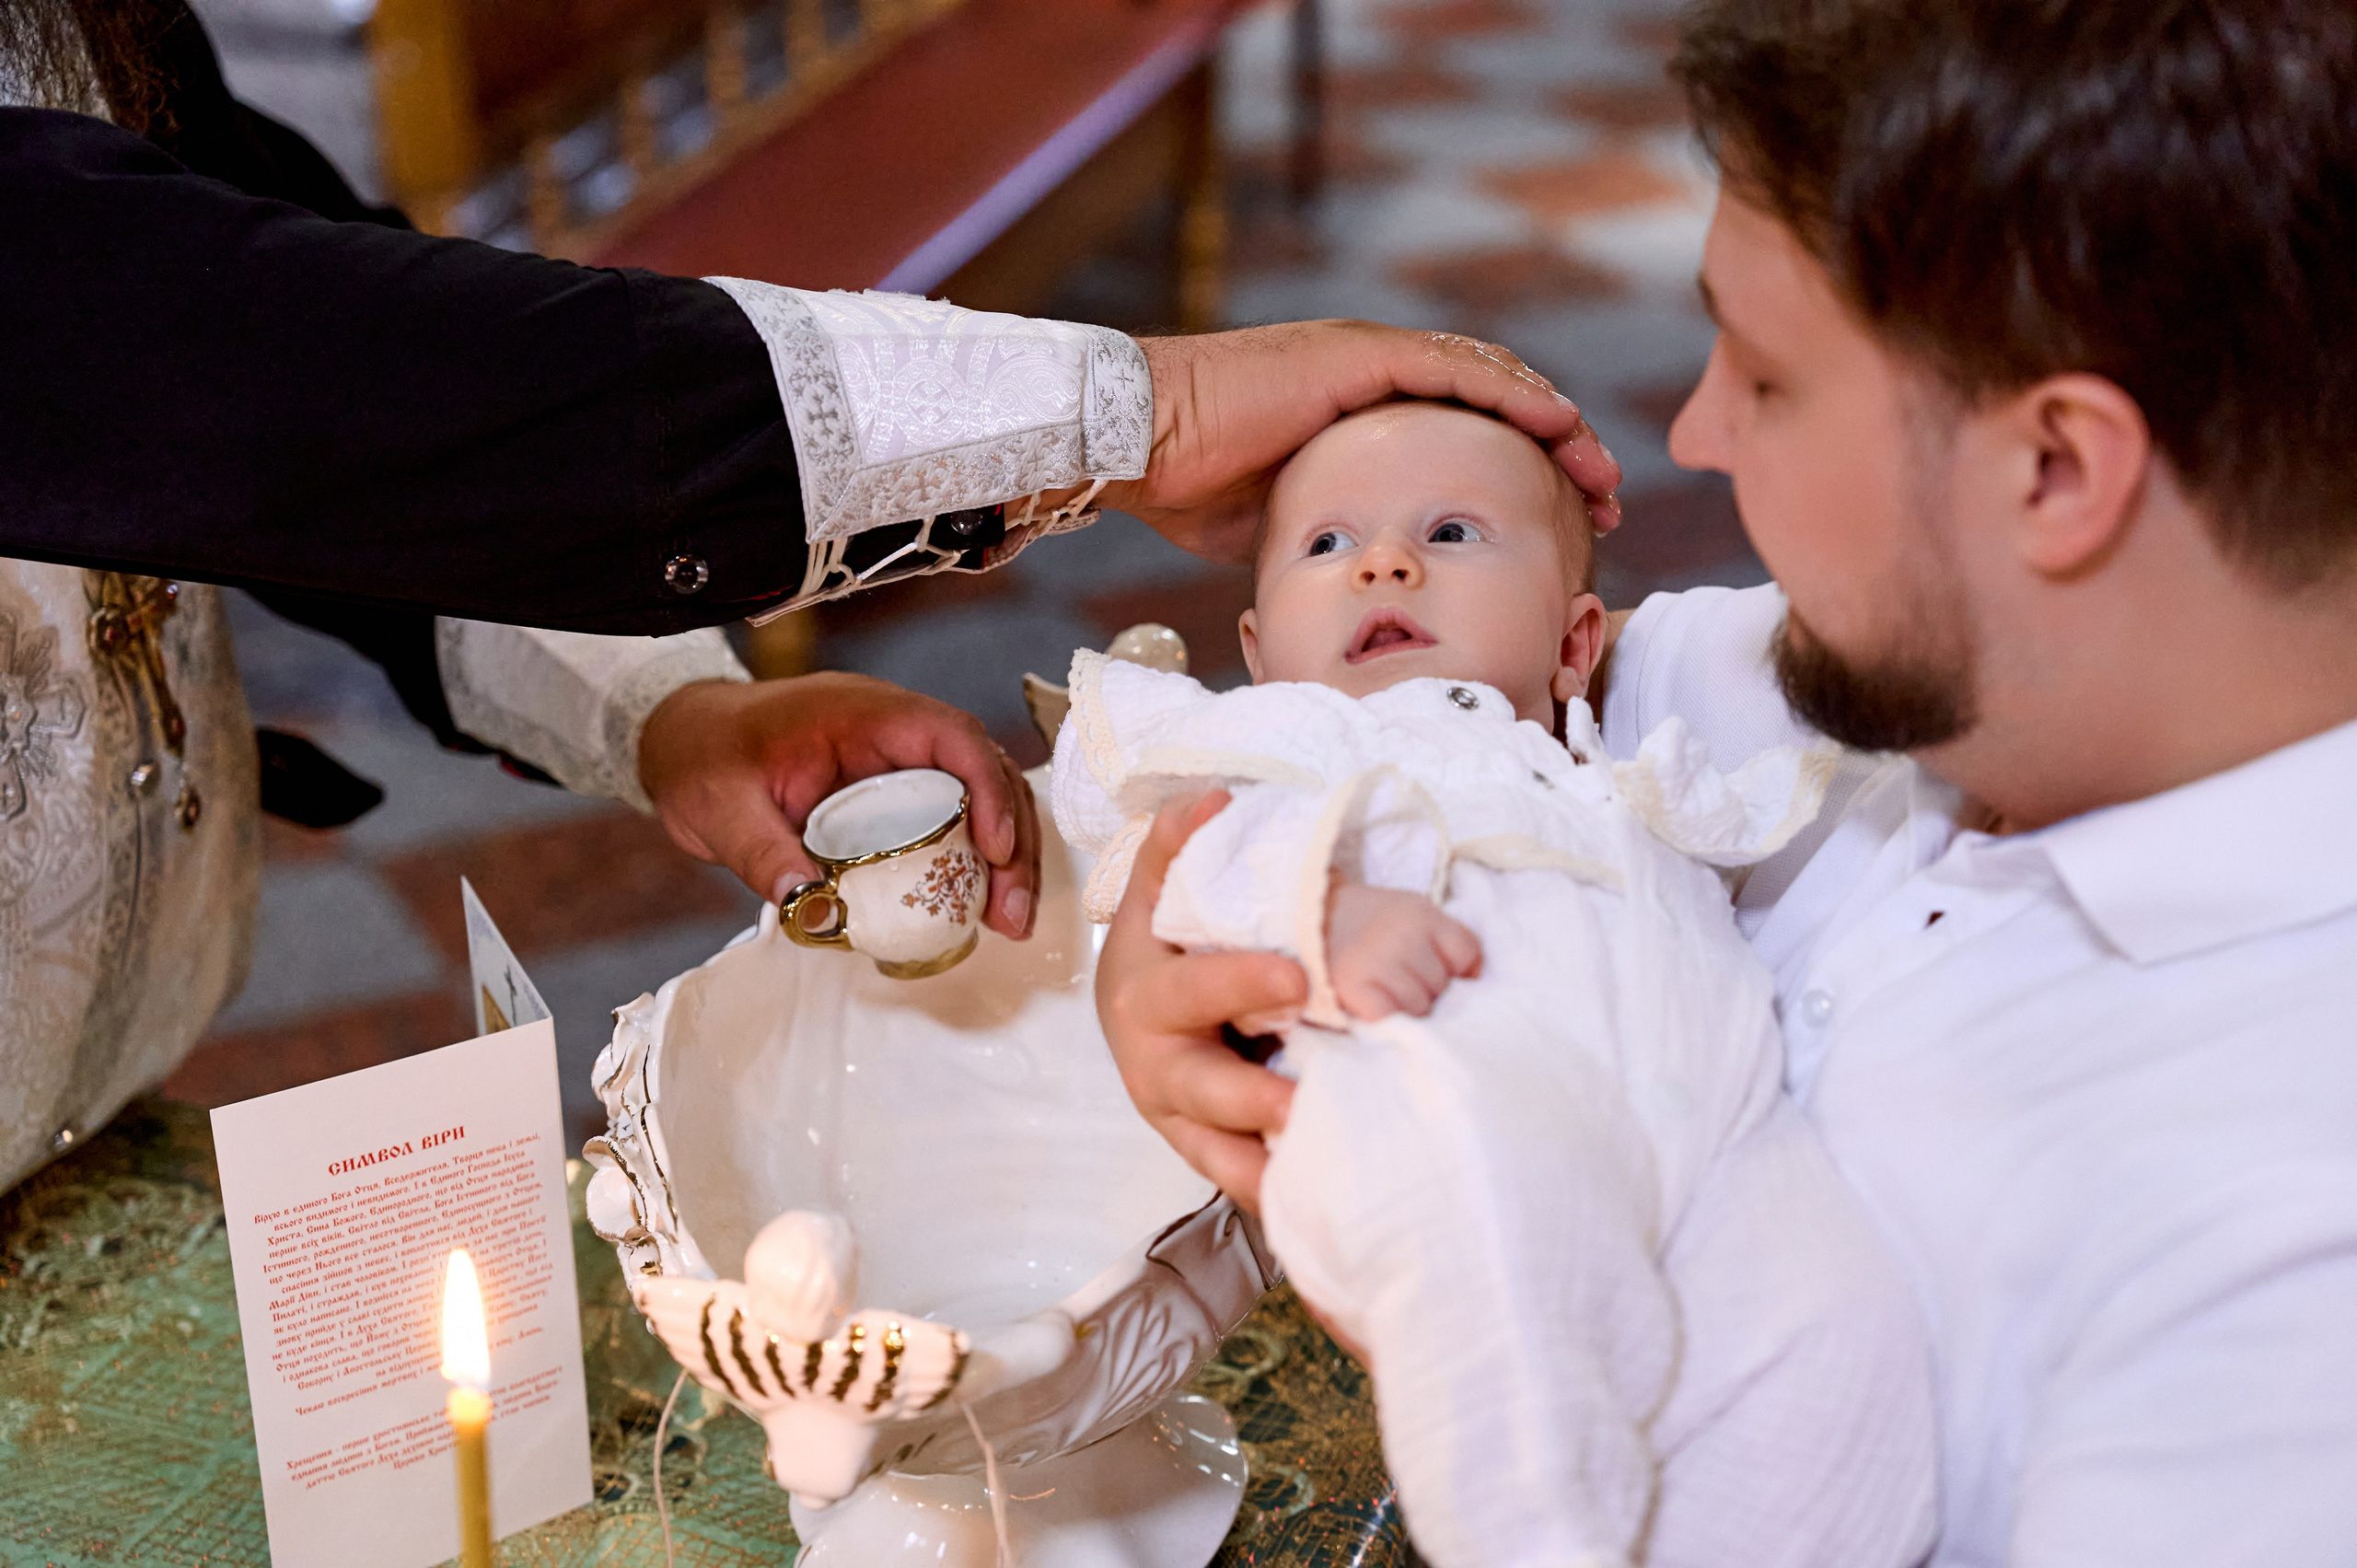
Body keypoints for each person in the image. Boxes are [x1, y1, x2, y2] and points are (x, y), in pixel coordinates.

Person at [1096, 1, 2357, 1562]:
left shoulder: (2287, 1273)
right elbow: (1428, 712)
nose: (1690, 427)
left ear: (2055, 474)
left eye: (1764, 375)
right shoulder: (1879, 669)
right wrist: (1190, 958)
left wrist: (1492, 1301)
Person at [0, 0, 1621, 1192]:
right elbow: (210, 354)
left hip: (109, 1091)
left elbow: (309, 362)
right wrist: (1141, 412)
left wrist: (673, 707)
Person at [1050, 401, 1934, 1568]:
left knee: (1836, 1316)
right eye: (1326, 544)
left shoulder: (1612, 771)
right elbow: (1198, 858)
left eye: (1452, 531)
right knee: (1496, 1284)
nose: (1383, 560)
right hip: (1453, 1098)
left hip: (1712, 1117)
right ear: (1260, 658)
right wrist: (1325, 907)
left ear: (1575, 643)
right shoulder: (1290, 746)